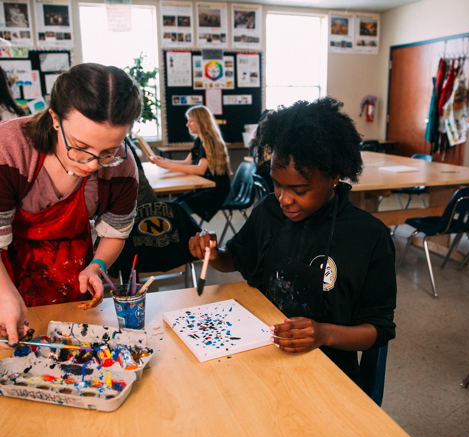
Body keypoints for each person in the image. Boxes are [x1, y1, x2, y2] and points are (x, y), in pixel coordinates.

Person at [188, 97, 397, 387]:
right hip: (260, 350)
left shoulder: (368, 236)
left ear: (334, 177)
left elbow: (379, 328)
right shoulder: (270, 211)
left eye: (299, 189)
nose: (284, 199)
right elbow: (235, 259)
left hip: (328, 371)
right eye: (277, 184)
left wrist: (324, 333)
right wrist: (212, 252)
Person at [0, 63, 142, 348]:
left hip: (72, 266)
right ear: (55, 118)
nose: (91, 165)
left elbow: (115, 231)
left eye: (107, 152)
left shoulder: (123, 167)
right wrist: (5, 294)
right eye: (79, 147)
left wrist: (96, 267)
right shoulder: (10, 150)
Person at [151, 105, 231, 223]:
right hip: (207, 189)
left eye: (191, 121)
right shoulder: (199, 140)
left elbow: (200, 170)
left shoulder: (210, 142)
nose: (187, 124)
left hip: (216, 192)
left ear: (200, 122)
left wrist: (166, 165)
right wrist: (164, 161)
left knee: (177, 210)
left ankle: (192, 235)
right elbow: (187, 162)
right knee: (173, 206)